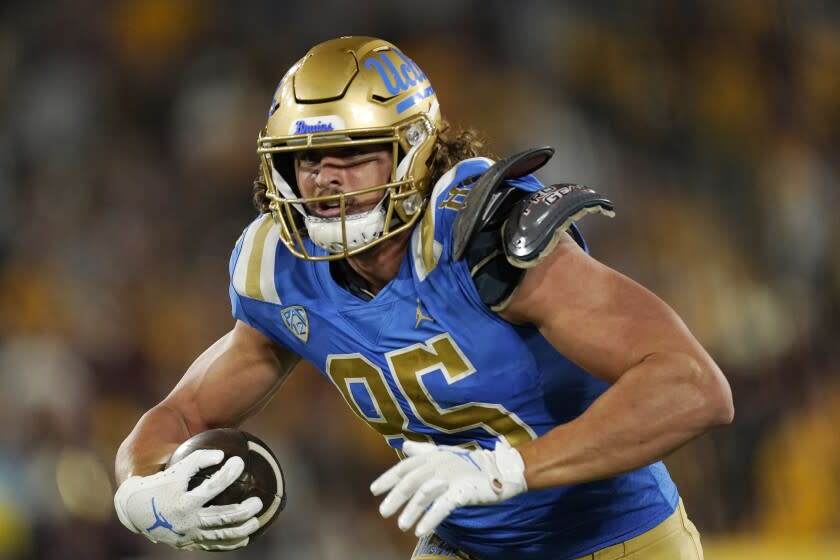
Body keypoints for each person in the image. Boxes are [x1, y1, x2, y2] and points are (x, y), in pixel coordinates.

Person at [113, 36, 733, 559]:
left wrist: (510, 468)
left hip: (615, 540)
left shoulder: (483, 241)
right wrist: (142, 495)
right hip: (464, 547)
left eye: (352, 154)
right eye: (305, 159)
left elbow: (693, 387)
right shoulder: (282, 273)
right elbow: (182, 415)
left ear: (411, 152)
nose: (325, 177)